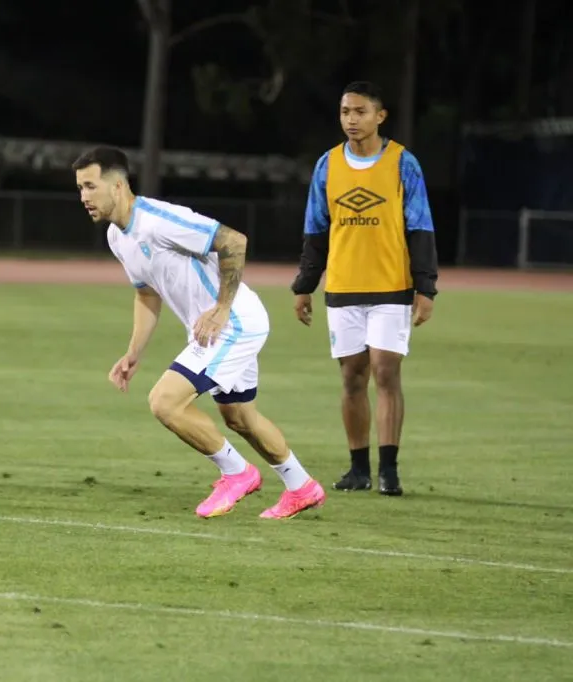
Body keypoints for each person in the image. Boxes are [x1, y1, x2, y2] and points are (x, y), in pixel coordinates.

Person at [73, 146, 326, 520]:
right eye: (80, 188)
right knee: (239, 418)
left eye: (91, 186)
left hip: (234, 322)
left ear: (118, 186)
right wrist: (133, 352)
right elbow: (146, 294)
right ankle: (302, 487)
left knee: (165, 402)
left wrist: (222, 308)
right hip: (218, 328)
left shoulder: (158, 220)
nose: (83, 196)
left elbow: (233, 241)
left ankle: (237, 473)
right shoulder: (117, 236)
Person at [290, 81, 439, 496]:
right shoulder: (327, 165)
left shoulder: (403, 163)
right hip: (343, 288)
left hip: (392, 286)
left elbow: (421, 226)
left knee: (386, 372)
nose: (351, 120)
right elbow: (316, 230)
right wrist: (304, 285)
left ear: (380, 116)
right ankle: (359, 469)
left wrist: (426, 288)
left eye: (360, 112)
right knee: (352, 377)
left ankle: (389, 469)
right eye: (345, 112)